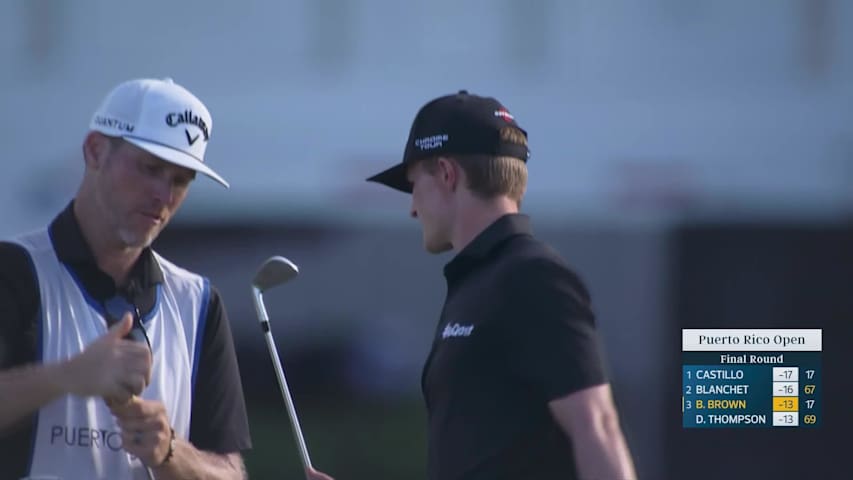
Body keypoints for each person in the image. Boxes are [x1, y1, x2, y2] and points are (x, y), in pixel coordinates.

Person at [0, 78, 334, 480]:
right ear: (95, 151)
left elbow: (230, 473)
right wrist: (68, 375)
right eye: (150, 168)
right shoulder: (16, 271)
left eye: (181, 179)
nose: (163, 194)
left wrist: (169, 452)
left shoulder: (198, 302)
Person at [366, 91, 638, 480]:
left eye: (414, 187)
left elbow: (598, 427)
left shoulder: (533, 278)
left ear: (446, 173)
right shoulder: (481, 282)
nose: (412, 208)